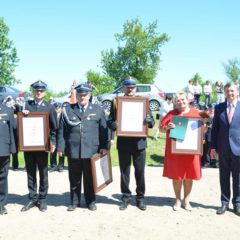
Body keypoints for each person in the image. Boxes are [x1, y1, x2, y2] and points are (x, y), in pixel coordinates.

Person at [57, 83, 108, 211]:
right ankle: (74, 201)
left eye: (85, 95)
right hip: (73, 149)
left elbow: (104, 130)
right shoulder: (68, 109)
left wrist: (104, 146)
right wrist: (60, 147)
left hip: (91, 149)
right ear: (77, 95)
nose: (82, 97)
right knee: (74, 178)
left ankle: (90, 201)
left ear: (89, 95)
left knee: (90, 177)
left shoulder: (97, 109)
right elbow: (61, 130)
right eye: (80, 95)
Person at [108, 77, 155, 211]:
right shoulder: (117, 102)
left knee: (139, 172)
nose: (130, 89)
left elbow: (151, 124)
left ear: (136, 88)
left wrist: (149, 119)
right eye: (127, 87)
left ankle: (140, 198)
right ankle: (125, 197)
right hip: (124, 142)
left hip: (139, 143)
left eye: (132, 87)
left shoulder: (143, 101)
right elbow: (110, 121)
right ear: (123, 87)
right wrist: (113, 125)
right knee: (124, 172)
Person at [160, 91, 203, 211]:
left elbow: (201, 130)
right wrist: (167, 127)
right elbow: (161, 129)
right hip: (175, 151)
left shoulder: (196, 113)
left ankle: (187, 201)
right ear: (175, 102)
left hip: (190, 151)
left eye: (183, 99)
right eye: (178, 100)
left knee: (189, 176)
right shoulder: (171, 114)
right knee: (177, 176)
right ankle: (177, 200)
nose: (181, 102)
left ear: (187, 100)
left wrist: (202, 132)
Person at [21, 80, 57, 212]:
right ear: (33, 92)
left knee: (43, 172)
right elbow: (20, 124)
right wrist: (23, 115)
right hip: (29, 146)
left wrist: (53, 142)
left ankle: (42, 199)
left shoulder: (49, 107)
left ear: (45, 92)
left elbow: (54, 128)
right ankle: (32, 198)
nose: (39, 92)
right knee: (30, 172)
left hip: (43, 146)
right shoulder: (27, 105)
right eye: (36, 90)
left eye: (41, 90)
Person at [210, 82, 240, 216]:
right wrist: (213, 148)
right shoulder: (219, 108)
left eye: (232, 91)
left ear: (237, 92)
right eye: (227, 91)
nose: (230, 93)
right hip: (222, 148)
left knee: (238, 178)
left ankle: (238, 203)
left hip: (238, 149)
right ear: (224, 93)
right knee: (224, 177)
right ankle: (224, 202)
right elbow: (215, 129)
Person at [0, 101, 16, 215]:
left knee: (2, 177)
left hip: (3, 150)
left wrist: (13, 149)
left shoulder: (8, 110)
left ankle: (1, 203)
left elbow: (12, 131)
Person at [49, 102, 65, 172]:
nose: (56, 110)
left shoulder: (64, 115)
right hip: (53, 135)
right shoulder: (52, 114)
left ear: (60, 108)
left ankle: (61, 166)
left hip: (61, 136)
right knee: (52, 151)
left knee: (61, 151)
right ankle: (53, 166)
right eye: (55, 108)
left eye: (57, 108)